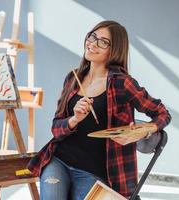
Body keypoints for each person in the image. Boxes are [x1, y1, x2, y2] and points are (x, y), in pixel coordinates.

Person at [27, 20, 171, 200]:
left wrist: (143, 132)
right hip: (59, 161)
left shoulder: (122, 83)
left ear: (114, 50)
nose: (93, 44)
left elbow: (163, 113)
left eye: (103, 42)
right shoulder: (73, 78)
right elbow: (56, 128)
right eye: (92, 36)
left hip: (93, 172)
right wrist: (74, 119)